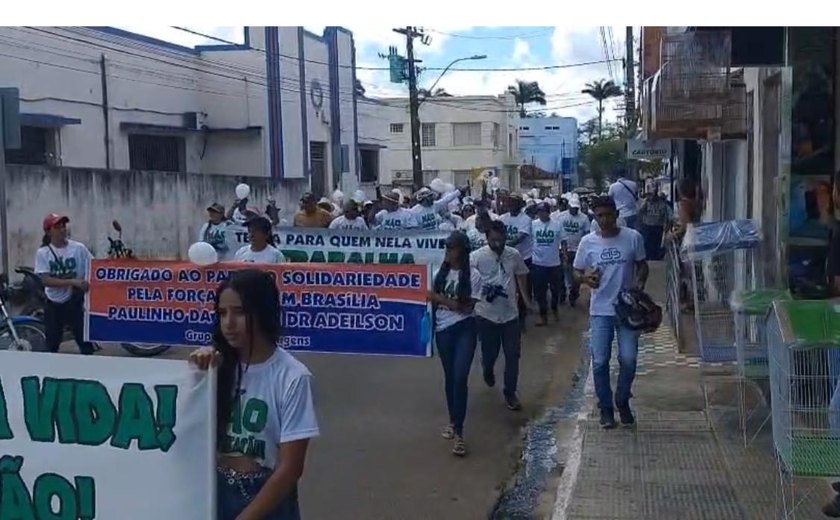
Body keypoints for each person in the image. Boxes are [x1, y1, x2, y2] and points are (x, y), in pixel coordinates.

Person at [189, 269, 319, 520]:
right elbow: (184, 432)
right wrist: (199, 375)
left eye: (239, 312)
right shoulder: (216, 367)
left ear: (261, 312)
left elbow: (290, 468)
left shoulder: (292, 376)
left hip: (266, 499)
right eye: (222, 313)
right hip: (215, 491)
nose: (228, 323)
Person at [574, 196, 648, 429]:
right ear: (594, 218)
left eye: (608, 214)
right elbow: (575, 272)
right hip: (600, 311)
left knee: (629, 359)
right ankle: (606, 408)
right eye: (599, 216)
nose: (604, 219)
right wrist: (586, 279)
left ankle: (622, 399)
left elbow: (642, 265)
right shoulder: (588, 242)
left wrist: (638, 286)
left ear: (616, 214)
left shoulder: (632, 238)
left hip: (627, 311)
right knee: (599, 362)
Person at [426, 231, 482, 457]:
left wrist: (439, 299)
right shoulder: (439, 273)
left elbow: (467, 308)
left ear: (463, 250)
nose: (448, 252)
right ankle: (453, 420)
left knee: (460, 378)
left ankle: (459, 433)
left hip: (465, 328)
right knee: (450, 378)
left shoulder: (474, 276)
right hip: (443, 330)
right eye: (447, 248)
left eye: (452, 248)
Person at [470, 220, 533, 411]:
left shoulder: (513, 255)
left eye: (500, 240)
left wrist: (526, 301)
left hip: (510, 315)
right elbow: (468, 281)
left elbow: (521, 276)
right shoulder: (476, 258)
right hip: (486, 315)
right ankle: (487, 369)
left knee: (513, 355)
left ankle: (510, 392)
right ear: (487, 239)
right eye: (493, 240)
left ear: (506, 237)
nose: (496, 244)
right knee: (490, 354)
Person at [35, 213, 95, 355]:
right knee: (52, 344)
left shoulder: (78, 248)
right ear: (49, 232)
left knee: (85, 341)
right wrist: (72, 281)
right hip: (53, 303)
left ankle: (93, 371)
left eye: (63, 226)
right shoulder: (43, 253)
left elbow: (94, 266)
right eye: (57, 227)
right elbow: (45, 280)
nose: (62, 229)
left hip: (74, 300)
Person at [500, 194, 534, 330]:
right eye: (510, 202)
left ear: (520, 205)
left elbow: (521, 236)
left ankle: (522, 318)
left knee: (523, 289)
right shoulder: (503, 218)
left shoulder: (525, 219)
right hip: (506, 259)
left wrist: (505, 244)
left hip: (524, 258)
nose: (511, 204)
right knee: (507, 288)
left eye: (514, 202)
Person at [530, 203, 565, 326]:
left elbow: (563, 241)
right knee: (540, 292)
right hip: (538, 263)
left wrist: (564, 256)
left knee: (556, 290)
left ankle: (554, 308)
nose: (541, 214)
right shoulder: (533, 225)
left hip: (554, 263)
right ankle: (543, 315)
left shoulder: (557, 224)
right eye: (539, 212)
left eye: (544, 211)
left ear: (548, 212)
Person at [558, 197, 591, 307]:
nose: (574, 210)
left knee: (577, 275)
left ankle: (574, 293)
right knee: (562, 273)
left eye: (576, 208)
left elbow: (586, 233)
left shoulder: (584, 218)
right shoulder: (561, 216)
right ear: (569, 207)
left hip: (577, 250)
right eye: (573, 208)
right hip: (563, 249)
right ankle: (562, 293)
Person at [637, 187, 673, 261]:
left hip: (658, 227)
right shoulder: (646, 203)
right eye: (649, 195)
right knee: (647, 244)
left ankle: (656, 259)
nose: (651, 197)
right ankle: (649, 258)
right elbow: (640, 212)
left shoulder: (663, 204)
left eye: (652, 194)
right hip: (647, 226)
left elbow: (670, 216)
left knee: (657, 244)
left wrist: (668, 226)